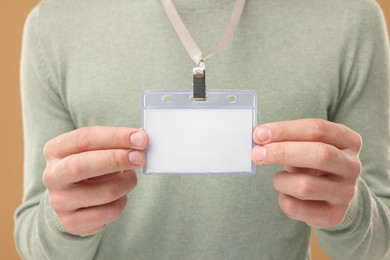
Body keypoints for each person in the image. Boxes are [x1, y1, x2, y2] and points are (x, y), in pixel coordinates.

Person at [15, 0, 390, 259]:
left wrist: (350, 209)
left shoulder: (349, 17)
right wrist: (61, 220)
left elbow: (379, 243)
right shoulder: (55, 24)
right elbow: (32, 235)